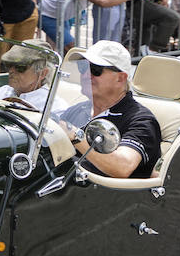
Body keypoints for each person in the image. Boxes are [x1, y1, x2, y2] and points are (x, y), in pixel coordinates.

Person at [56, 40, 162, 180]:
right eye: (83, 68)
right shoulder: (77, 110)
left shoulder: (141, 120)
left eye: (95, 70)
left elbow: (122, 167)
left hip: (108, 199)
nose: (86, 75)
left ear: (120, 78)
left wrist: (75, 135)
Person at [0, 44, 54, 110]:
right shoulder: (2, 92)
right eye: (9, 65)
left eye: (20, 67)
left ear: (42, 73)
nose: (11, 71)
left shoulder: (52, 106)